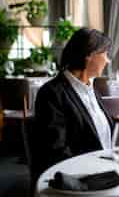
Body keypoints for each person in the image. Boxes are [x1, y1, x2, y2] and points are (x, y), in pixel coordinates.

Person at [31, 28, 114, 181]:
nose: (108, 60)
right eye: (105, 54)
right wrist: (95, 171)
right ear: (90, 55)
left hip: (106, 172)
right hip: (79, 180)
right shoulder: (51, 93)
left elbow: (91, 125)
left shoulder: (90, 88)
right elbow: (56, 150)